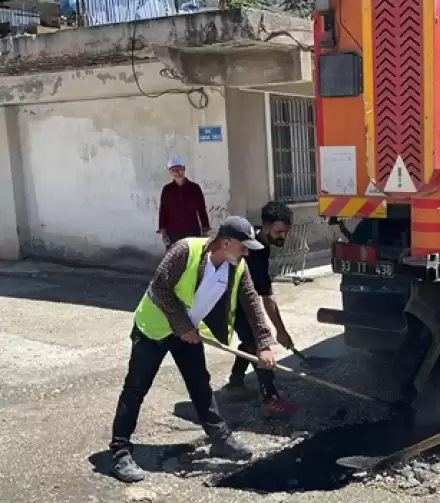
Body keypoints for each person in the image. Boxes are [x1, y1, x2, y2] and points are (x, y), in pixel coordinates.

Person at [108, 216, 278, 483]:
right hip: (153, 328)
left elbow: (253, 305)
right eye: (243, 246)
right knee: (136, 387)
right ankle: (119, 450)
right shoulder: (185, 250)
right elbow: (160, 288)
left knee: (200, 384)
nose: (246, 252)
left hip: (187, 333)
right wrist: (182, 325)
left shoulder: (237, 267)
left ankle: (220, 439)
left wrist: (264, 345)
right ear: (226, 241)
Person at [220, 201, 298, 416]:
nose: (283, 236)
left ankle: (235, 383)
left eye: (285, 232)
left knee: (250, 340)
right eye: (279, 231)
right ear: (265, 227)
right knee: (258, 344)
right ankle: (269, 397)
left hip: (240, 298)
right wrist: (280, 331)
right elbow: (266, 298)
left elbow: (261, 293)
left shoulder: (260, 245)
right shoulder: (251, 247)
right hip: (225, 299)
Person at [158, 156, 211, 249]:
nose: (177, 173)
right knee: (175, 261)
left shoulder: (194, 188)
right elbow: (163, 211)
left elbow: (201, 209)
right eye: (173, 170)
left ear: (184, 169)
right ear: (170, 172)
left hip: (192, 231)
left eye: (179, 169)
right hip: (173, 233)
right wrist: (163, 231)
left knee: (193, 259)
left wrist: (205, 228)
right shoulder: (167, 190)